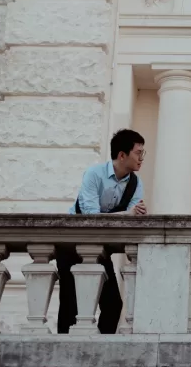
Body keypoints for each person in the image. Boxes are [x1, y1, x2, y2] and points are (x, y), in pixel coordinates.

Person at [56, 129, 148, 334]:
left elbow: (132, 220)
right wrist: (129, 214)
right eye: (138, 153)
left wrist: (134, 215)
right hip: (71, 244)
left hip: (99, 248)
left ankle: (97, 348)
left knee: (113, 304)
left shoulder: (135, 184)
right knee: (69, 304)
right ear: (122, 155)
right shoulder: (94, 174)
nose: (141, 158)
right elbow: (91, 218)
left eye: (143, 153)